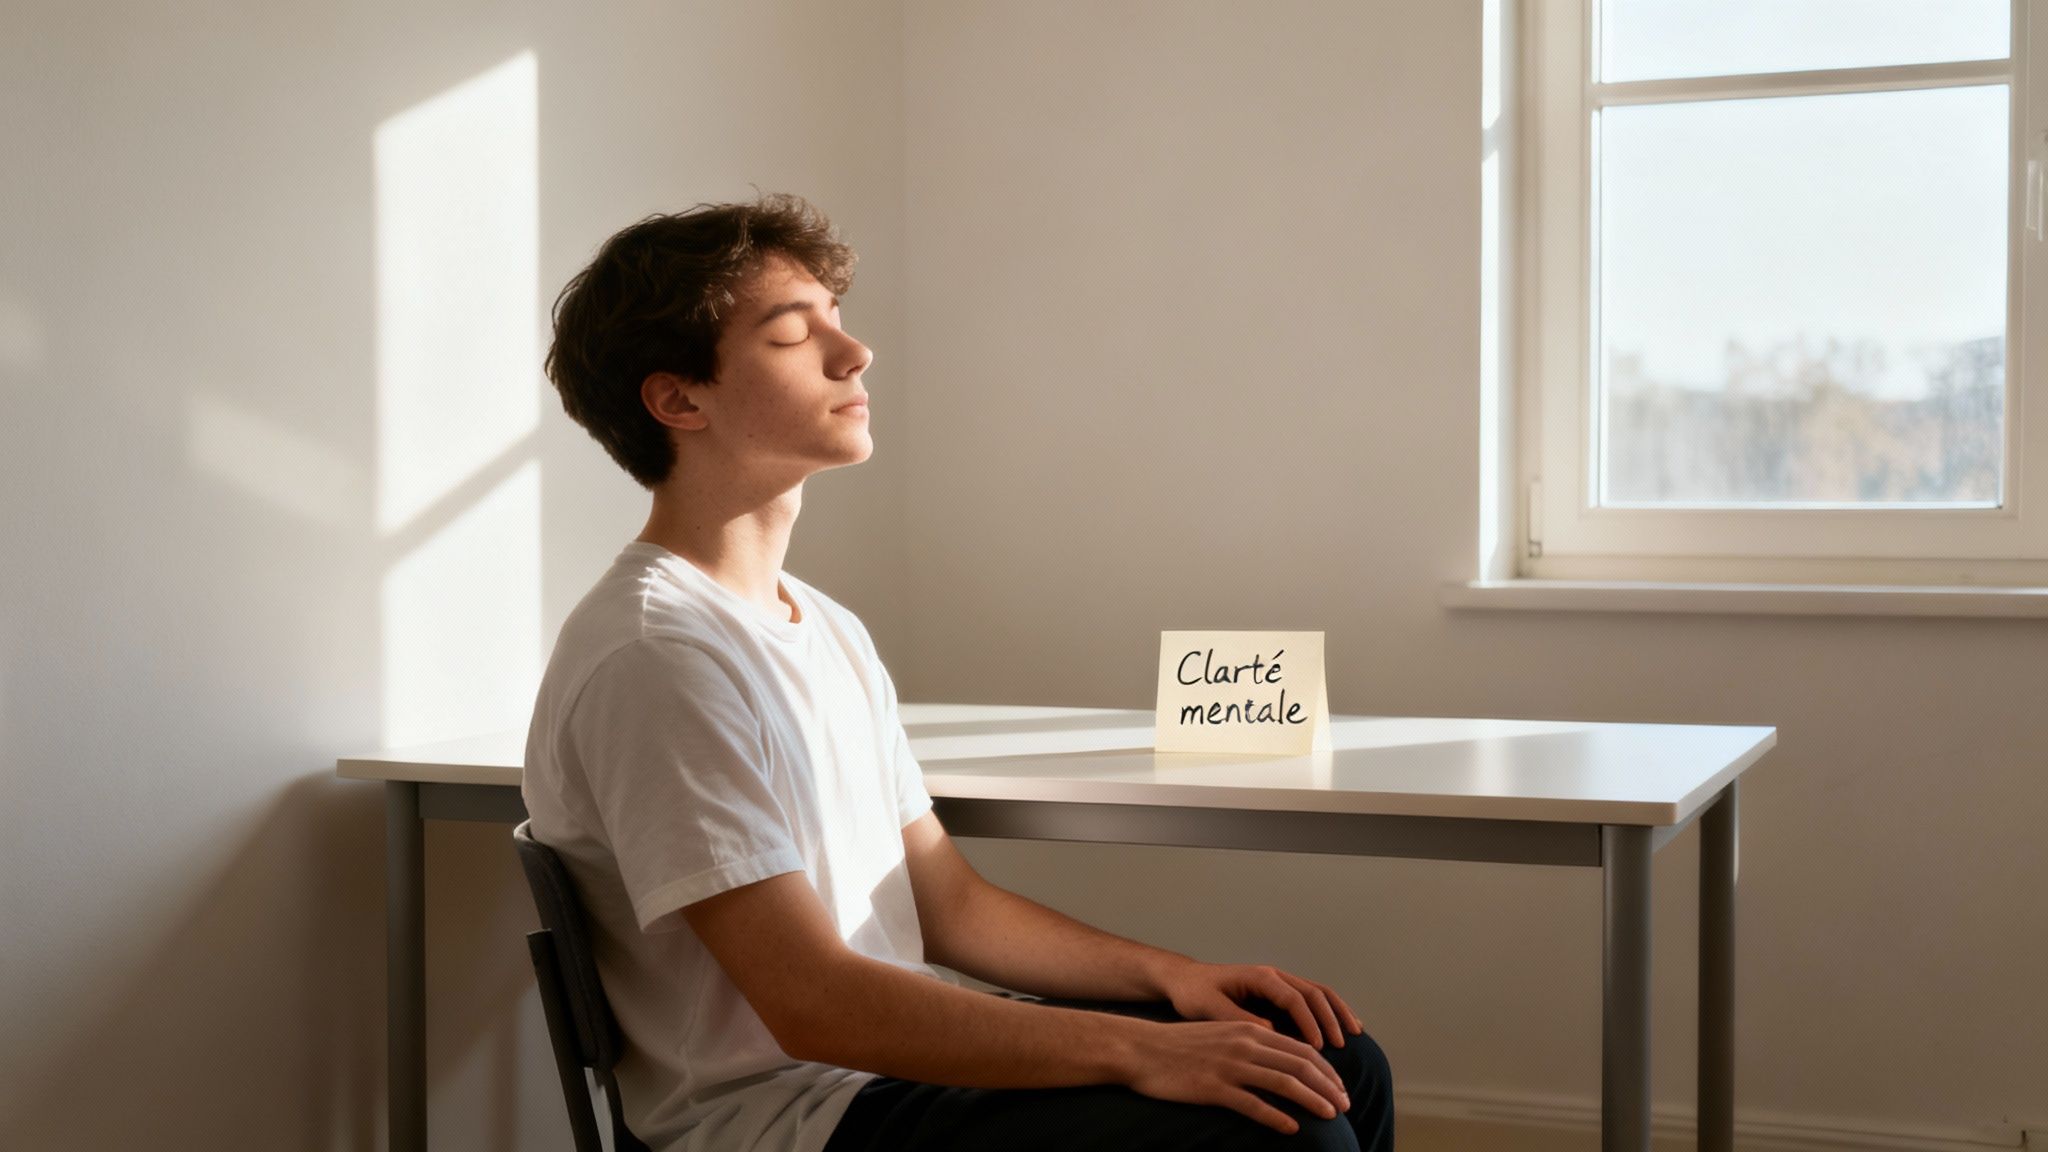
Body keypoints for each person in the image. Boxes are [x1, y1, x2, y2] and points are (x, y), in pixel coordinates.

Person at [522, 193, 1394, 1152]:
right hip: (790, 1118)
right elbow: (815, 1007)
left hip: (878, 1069)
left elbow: (949, 903)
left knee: (1333, 1060)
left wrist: (1173, 980)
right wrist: (1139, 1053)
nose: (853, 355)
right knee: (1280, 1125)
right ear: (679, 399)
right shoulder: (656, 657)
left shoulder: (825, 626)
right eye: (790, 334)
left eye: (838, 321)